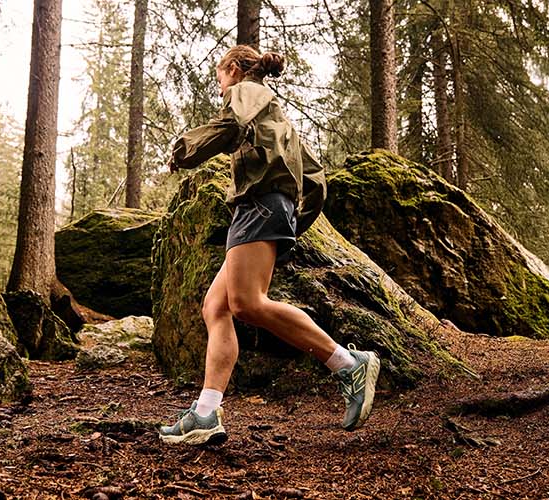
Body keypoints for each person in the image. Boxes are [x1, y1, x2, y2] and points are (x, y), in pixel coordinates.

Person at [155, 45, 382, 446]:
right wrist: (291, 221)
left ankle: (348, 363)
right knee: (216, 306)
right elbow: (315, 180)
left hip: (259, 205)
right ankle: (205, 413)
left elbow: (228, 127)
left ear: (235, 70)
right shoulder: (279, 119)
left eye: (221, 75)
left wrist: (182, 152)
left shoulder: (246, 92)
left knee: (247, 303)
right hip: (267, 209)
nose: (220, 84)